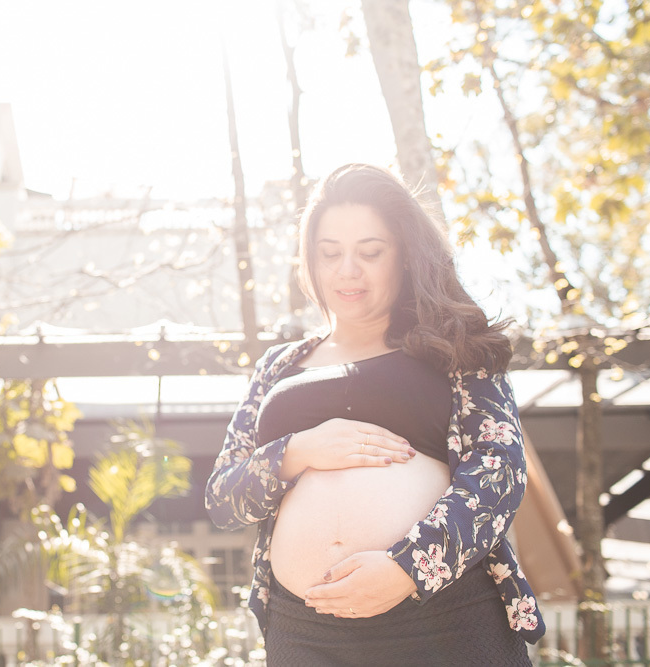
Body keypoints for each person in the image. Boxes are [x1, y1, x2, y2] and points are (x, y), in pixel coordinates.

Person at [205, 164, 545, 665]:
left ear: (404, 257)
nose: (348, 270)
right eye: (330, 253)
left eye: (370, 252)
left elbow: (499, 470)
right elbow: (221, 499)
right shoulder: (278, 366)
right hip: (306, 633)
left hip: (443, 618)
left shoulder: (455, 349)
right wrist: (297, 451)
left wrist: (407, 568)